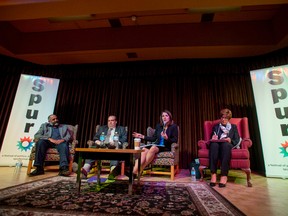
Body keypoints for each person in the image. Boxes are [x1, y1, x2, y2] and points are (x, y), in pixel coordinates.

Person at [132, 110, 178, 176]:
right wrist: (142, 136)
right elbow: (154, 138)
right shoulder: (159, 126)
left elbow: (175, 140)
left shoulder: (174, 127)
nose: (164, 117)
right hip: (157, 144)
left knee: (153, 148)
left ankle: (141, 169)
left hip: (165, 146)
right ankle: (133, 173)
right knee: (144, 150)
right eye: (163, 116)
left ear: (170, 117)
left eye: (166, 116)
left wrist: (167, 138)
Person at [81, 115, 127, 179]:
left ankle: (113, 172)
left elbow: (124, 139)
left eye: (112, 120)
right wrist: (98, 141)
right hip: (102, 147)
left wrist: (116, 143)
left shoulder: (121, 129)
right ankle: (84, 170)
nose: (110, 122)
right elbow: (95, 137)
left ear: (116, 122)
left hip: (114, 147)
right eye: (109, 121)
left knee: (115, 152)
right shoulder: (102, 128)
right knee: (92, 150)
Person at [209, 108, 240, 188]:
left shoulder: (233, 127)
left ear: (229, 118)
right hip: (217, 144)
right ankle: (213, 174)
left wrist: (230, 140)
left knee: (226, 146)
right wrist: (214, 137)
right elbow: (211, 137)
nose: (223, 119)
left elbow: (237, 139)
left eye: (225, 118)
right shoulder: (216, 127)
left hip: (227, 144)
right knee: (213, 145)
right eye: (222, 117)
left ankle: (224, 175)